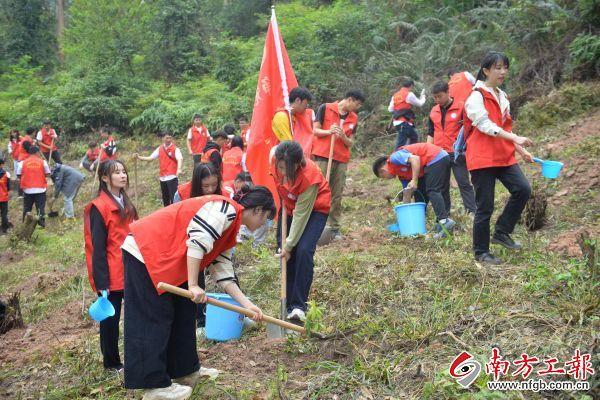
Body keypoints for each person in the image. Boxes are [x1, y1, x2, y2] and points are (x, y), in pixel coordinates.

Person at [120, 187, 274, 399]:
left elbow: (223, 271)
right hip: (146, 250)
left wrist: (246, 305)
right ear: (258, 210)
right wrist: (193, 284)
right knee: (154, 316)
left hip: (172, 257)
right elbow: (197, 241)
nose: (264, 224)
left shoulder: (232, 226)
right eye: (266, 217)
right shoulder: (225, 209)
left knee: (184, 312)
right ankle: (154, 385)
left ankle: (184, 370)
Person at [464, 51, 534, 265]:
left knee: (523, 189)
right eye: (497, 67)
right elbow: (486, 126)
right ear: (486, 71)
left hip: (503, 155)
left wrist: (521, 150)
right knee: (485, 206)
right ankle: (481, 252)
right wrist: (515, 138)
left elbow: (503, 127)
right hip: (483, 157)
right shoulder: (476, 96)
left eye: (505, 67)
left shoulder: (502, 96)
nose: (503, 72)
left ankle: (502, 232)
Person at [84, 160, 138, 372]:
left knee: (135, 316)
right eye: (117, 173)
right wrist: (101, 281)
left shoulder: (126, 202)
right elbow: (97, 247)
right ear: (105, 178)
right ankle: (112, 363)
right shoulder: (99, 207)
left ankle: (136, 357)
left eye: (124, 171)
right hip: (112, 273)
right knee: (110, 321)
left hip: (131, 267)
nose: (123, 176)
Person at [271, 141, 331, 322]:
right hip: (288, 206)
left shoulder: (309, 177)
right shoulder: (274, 159)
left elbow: (301, 216)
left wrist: (289, 244)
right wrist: (286, 247)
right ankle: (287, 302)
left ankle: (298, 306)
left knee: (302, 250)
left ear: (298, 164)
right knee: (285, 254)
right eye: (280, 167)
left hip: (314, 210)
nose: (282, 171)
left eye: (286, 168)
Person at [372, 143, 457, 238]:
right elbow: (407, 193)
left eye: (383, 177)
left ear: (383, 170)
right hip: (435, 161)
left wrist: (414, 180)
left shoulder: (394, 158)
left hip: (435, 157)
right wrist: (405, 215)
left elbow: (415, 159)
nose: (386, 178)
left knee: (433, 190)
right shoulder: (401, 175)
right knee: (420, 195)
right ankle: (441, 224)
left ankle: (444, 221)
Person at [312, 90, 365, 240]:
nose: (357, 108)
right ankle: (313, 225)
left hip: (341, 159)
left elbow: (351, 143)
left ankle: (334, 228)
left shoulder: (354, 118)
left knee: (336, 194)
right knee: (319, 190)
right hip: (322, 155)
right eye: (357, 104)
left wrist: (342, 136)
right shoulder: (325, 108)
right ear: (350, 99)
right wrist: (329, 131)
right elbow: (315, 130)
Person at [427, 81, 476, 214]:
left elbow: (469, 130)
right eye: (435, 97)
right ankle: (445, 214)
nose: (437, 100)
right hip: (439, 154)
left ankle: (472, 212)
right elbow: (431, 132)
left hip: (457, 152)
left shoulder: (461, 107)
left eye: (440, 96)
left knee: (463, 182)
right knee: (442, 186)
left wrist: (467, 148)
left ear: (448, 93)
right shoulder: (433, 111)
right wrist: (429, 151)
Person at [136, 132, 183, 207]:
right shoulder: (160, 148)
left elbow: (180, 159)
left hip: (172, 176)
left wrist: (179, 169)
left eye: (170, 138)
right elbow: (150, 158)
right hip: (163, 177)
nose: (169, 140)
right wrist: (139, 157)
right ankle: (167, 214)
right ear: (163, 138)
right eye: (167, 138)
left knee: (174, 198)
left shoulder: (175, 149)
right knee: (165, 199)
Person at [271, 87, 314, 154]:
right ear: (298, 100)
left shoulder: (295, 117)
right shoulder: (281, 116)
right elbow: (288, 144)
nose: (307, 106)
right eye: (306, 103)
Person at [16, 146, 50, 228]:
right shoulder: (43, 162)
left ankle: (25, 225)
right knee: (40, 208)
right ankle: (41, 225)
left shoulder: (22, 163)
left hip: (27, 190)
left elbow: (18, 175)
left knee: (27, 209)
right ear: (37, 152)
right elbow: (48, 173)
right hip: (40, 189)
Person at [388, 79, 427, 148]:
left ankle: (408, 153)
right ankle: (397, 157)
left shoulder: (395, 95)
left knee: (413, 137)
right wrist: (423, 97)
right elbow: (420, 104)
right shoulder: (409, 94)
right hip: (404, 122)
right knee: (401, 144)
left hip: (397, 122)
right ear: (411, 86)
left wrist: (399, 111)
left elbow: (390, 109)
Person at [0, 158, 11, 234]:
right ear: (2, 164)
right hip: (3, 197)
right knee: (4, 214)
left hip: (3, 197)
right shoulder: (6, 174)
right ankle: (4, 230)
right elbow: (9, 187)